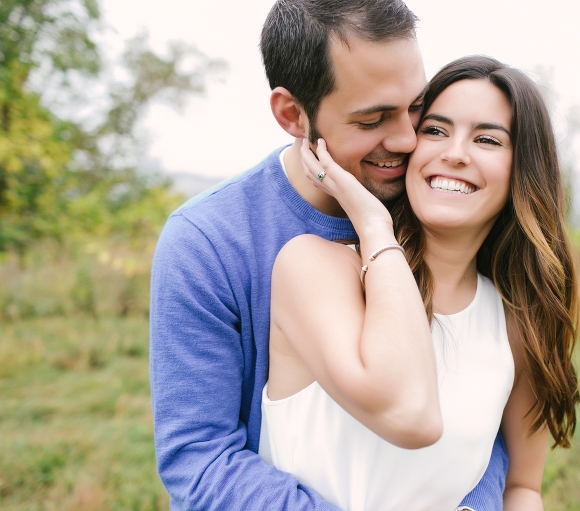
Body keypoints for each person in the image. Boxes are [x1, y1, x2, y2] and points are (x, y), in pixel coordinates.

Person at [149, 1, 508, 510]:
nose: (408, 139)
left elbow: (483, 401)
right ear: (292, 115)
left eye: (414, 106)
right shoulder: (208, 241)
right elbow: (200, 463)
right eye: (373, 119)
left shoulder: (439, 200)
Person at [260, 55, 580, 510]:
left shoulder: (517, 327)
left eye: (488, 139)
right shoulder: (315, 268)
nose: (454, 153)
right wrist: (375, 228)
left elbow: (523, 488)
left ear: (522, 171)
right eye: (435, 130)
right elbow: (408, 413)